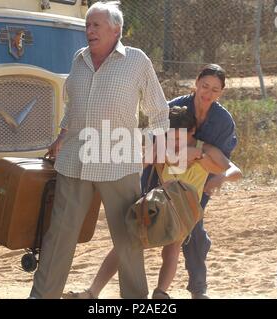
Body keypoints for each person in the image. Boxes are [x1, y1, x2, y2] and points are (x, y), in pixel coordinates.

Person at [29, 1, 169, 299]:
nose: (88, 30)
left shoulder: (136, 61)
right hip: (75, 160)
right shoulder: (78, 60)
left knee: (127, 238)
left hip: (118, 162)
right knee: (59, 237)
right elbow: (73, 108)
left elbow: (158, 110)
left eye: (95, 25)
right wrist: (61, 136)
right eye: (87, 25)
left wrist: (151, 145)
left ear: (115, 29)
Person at [63, 106, 242, 299]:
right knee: (125, 244)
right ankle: (92, 292)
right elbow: (140, 163)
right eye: (168, 137)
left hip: (186, 210)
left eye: (176, 138)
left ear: (191, 132)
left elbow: (235, 171)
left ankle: (160, 293)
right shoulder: (164, 148)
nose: (173, 143)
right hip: (162, 205)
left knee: (172, 248)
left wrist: (219, 178)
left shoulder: (206, 150)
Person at [168, 64, 238, 299]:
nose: (208, 93)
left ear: (221, 93)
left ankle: (198, 289)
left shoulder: (223, 121)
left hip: (200, 180)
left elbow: (225, 160)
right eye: (205, 86)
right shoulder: (175, 107)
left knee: (192, 229)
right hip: (165, 175)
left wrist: (218, 177)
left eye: (215, 90)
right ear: (196, 83)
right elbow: (154, 141)